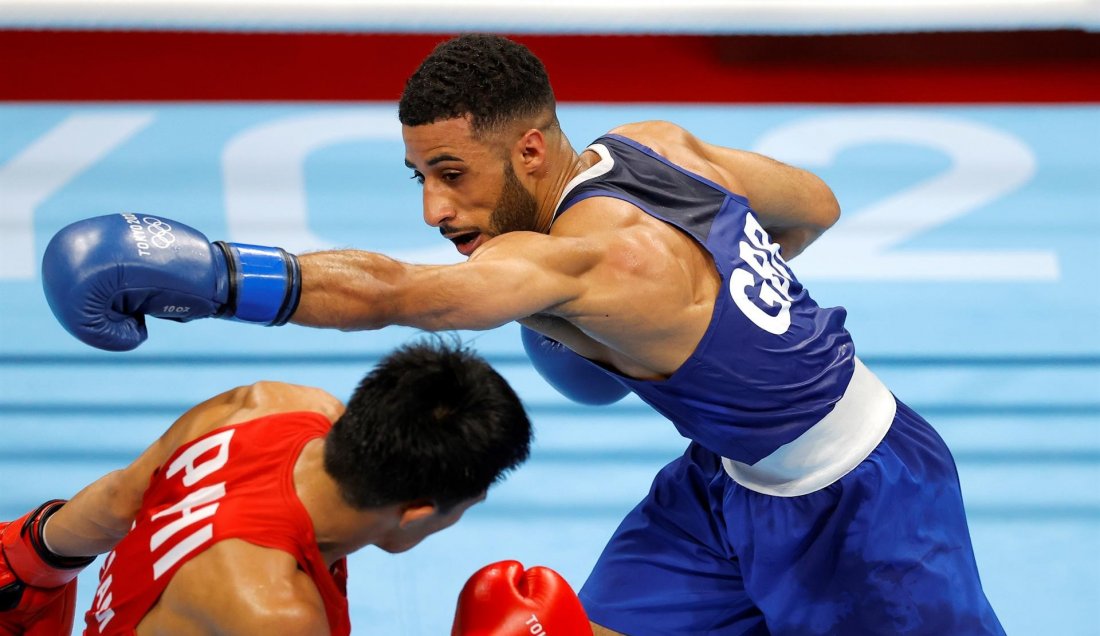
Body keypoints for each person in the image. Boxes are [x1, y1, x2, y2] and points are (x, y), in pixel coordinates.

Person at [41, 34, 1005, 635]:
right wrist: (724, 323)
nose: (434, 208)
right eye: (420, 176)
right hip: (723, 482)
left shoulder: (588, 263)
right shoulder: (655, 145)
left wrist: (217, 276)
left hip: (869, 507)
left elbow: (398, 294)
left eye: (453, 174)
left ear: (531, 148)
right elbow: (815, 206)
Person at [0, 339, 587, 635]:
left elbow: (117, 500)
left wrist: (27, 560)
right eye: (463, 508)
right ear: (415, 511)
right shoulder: (277, 613)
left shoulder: (270, 405)